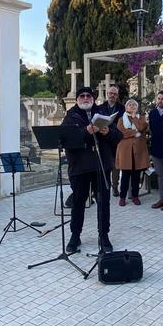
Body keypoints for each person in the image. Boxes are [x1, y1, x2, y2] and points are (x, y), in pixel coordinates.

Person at [61, 86, 120, 254]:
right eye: (82, 96)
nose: (85, 98)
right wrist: (86, 132)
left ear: (93, 99)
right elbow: (66, 140)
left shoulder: (102, 113)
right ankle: (75, 236)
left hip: (100, 165)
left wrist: (107, 132)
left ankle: (104, 236)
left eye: (88, 96)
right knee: (78, 202)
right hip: (79, 167)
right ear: (77, 99)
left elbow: (118, 137)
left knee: (103, 202)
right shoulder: (71, 116)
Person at [115, 99, 149, 206]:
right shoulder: (121, 119)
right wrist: (135, 133)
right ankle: (122, 197)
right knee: (125, 176)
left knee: (136, 176)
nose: (132, 106)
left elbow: (141, 127)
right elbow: (121, 132)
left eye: (134, 105)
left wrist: (134, 118)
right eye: (130, 105)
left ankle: (135, 196)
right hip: (125, 152)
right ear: (126, 107)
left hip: (138, 152)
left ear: (137, 108)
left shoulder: (141, 118)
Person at [100, 85, 125, 196]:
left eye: (114, 94)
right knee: (104, 164)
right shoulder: (100, 107)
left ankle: (115, 186)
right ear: (107, 94)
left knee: (116, 165)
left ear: (117, 95)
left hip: (116, 139)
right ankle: (104, 186)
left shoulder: (122, 108)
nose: (112, 96)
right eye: (110, 93)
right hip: (104, 139)